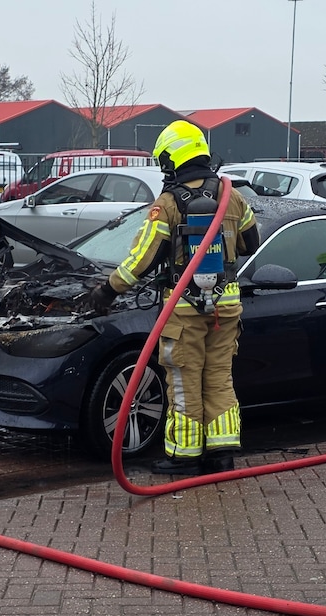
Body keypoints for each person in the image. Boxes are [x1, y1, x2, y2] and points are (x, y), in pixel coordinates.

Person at [90, 120, 260, 475]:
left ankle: (183, 455)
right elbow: (251, 243)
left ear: (174, 158)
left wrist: (107, 290)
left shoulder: (168, 203)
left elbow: (143, 259)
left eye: (164, 160)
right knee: (219, 377)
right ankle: (222, 454)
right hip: (226, 307)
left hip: (183, 310)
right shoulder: (232, 196)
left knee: (183, 380)